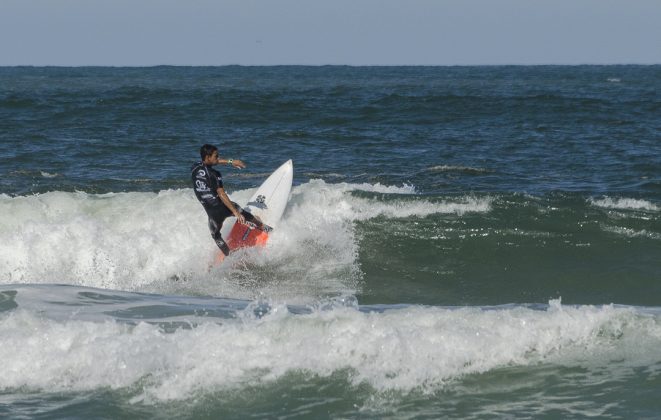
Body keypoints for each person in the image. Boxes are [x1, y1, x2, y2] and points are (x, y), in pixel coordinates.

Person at [191, 144, 269, 256]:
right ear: (208, 157)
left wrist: (230, 162)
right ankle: (261, 226)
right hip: (222, 207)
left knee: (215, 235)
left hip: (212, 214)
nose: (218, 158)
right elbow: (221, 194)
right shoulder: (215, 174)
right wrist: (236, 213)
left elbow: (214, 162)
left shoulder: (194, 167)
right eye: (216, 156)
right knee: (239, 210)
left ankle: (228, 255)